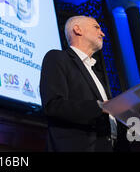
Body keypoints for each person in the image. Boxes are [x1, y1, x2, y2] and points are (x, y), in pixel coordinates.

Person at [39, 15, 123, 152]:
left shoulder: (96, 72)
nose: (102, 33)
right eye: (96, 27)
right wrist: (99, 106)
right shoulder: (58, 58)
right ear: (77, 29)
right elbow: (53, 105)